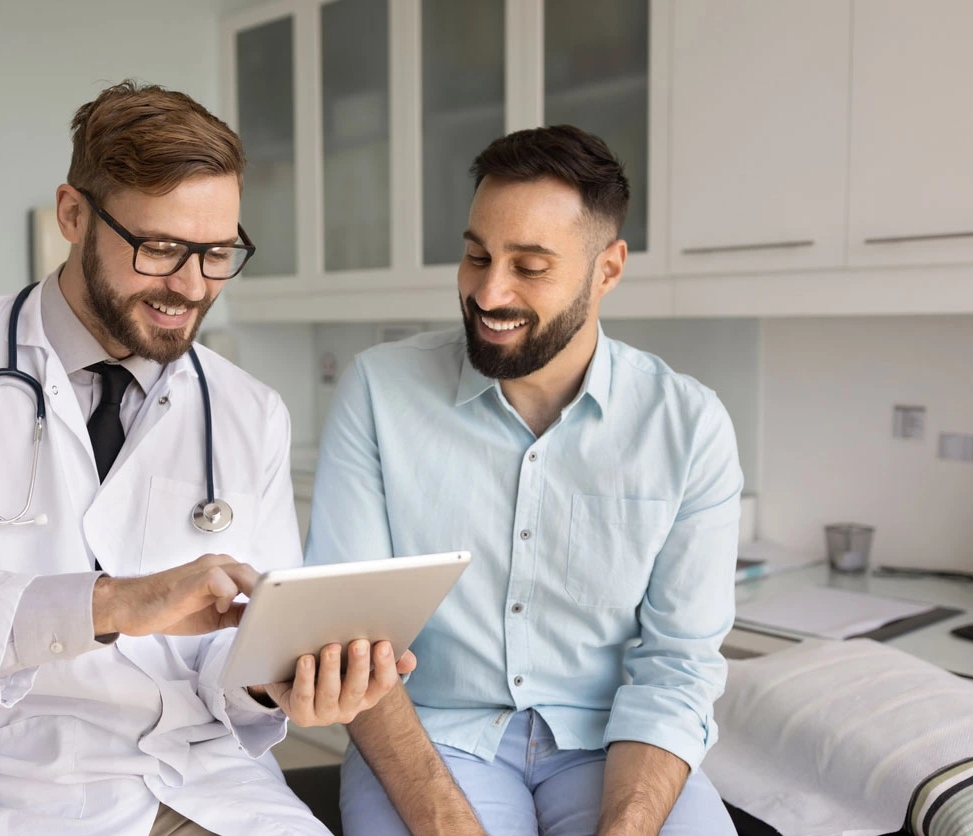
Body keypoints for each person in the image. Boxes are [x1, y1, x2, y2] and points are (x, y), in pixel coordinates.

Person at [0, 80, 411, 836]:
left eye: (216, 253)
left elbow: (235, 655)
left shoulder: (248, 412)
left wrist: (278, 684)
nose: (191, 287)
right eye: (160, 248)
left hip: (204, 787)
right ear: (74, 215)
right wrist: (101, 606)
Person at [306, 125, 743, 836]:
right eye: (477, 256)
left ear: (607, 270)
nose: (488, 291)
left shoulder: (689, 426)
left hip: (612, 743)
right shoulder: (378, 392)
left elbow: (678, 666)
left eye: (530, 266)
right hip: (432, 738)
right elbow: (349, 641)